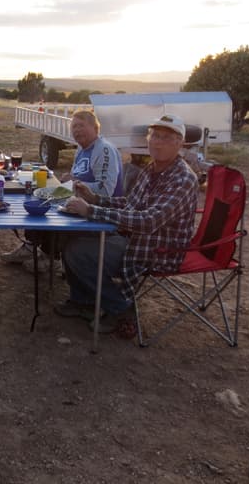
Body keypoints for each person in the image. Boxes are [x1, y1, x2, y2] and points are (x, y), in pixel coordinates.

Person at [56, 114, 199, 334]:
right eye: (154, 136)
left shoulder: (182, 179)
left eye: (165, 138)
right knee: (70, 237)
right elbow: (131, 204)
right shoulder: (153, 169)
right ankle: (82, 301)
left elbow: (150, 221)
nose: (156, 142)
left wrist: (92, 210)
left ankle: (120, 309)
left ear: (179, 143)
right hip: (134, 237)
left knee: (79, 252)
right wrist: (95, 198)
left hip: (157, 248)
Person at [2, 109, 123, 272]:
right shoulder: (82, 148)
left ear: (95, 127)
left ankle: (52, 258)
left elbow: (105, 191)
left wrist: (74, 182)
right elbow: (78, 177)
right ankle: (31, 247)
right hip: (77, 200)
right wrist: (70, 178)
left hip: (100, 210)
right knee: (41, 199)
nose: (77, 130)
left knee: (50, 209)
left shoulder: (104, 150)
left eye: (81, 126)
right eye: (73, 127)